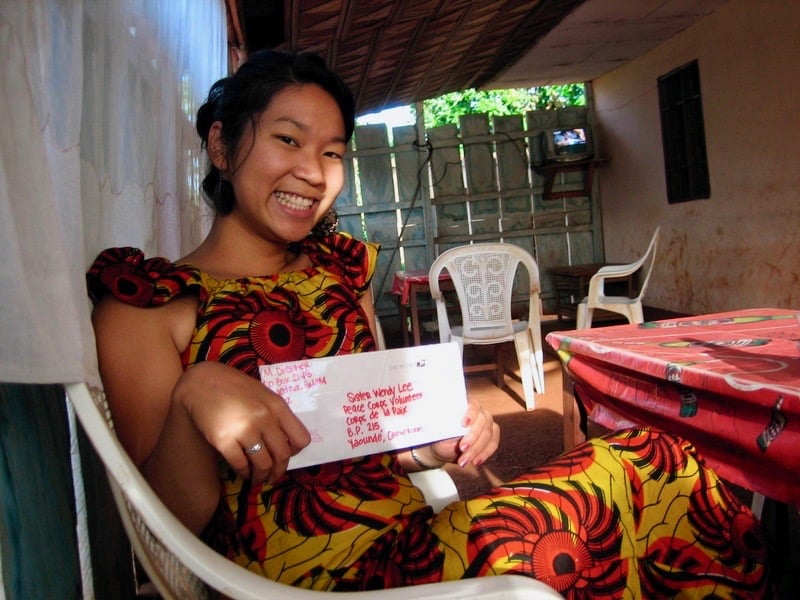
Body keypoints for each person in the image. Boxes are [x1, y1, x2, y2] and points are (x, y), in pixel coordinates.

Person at [88, 49, 772, 597]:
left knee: (659, 458)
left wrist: (437, 441)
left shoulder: (339, 275)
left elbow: (372, 438)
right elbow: (166, 532)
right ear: (220, 144)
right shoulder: (149, 304)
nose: (313, 171)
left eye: (332, 151)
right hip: (306, 578)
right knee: (568, 526)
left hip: (414, 538)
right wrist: (193, 395)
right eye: (287, 139)